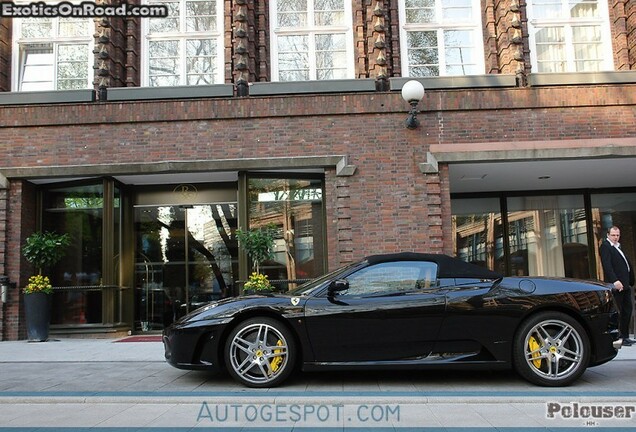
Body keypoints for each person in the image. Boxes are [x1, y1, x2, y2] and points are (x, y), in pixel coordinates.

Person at [599, 226, 635, 346]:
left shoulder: (618, 247)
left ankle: (625, 336)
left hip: (625, 285)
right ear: (608, 235)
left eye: (617, 235)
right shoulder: (605, 246)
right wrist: (615, 280)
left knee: (627, 310)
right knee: (617, 312)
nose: (616, 237)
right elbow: (607, 265)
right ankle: (618, 337)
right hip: (617, 285)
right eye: (613, 235)